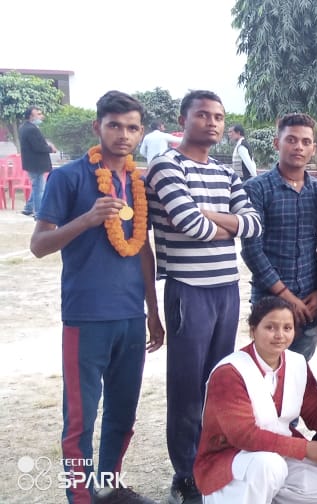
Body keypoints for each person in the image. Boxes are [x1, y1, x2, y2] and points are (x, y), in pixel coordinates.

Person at [29, 91, 164, 504]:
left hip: (130, 316)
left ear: (141, 132)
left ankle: (108, 487)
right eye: (114, 125)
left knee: (123, 413)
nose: (123, 134)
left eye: (132, 127)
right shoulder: (69, 177)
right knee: (80, 420)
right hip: (86, 316)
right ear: (97, 127)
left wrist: (152, 311)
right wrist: (87, 219)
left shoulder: (139, 183)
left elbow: (143, 248)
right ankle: (81, 497)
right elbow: (39, 244)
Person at [146, 90, 263, 503]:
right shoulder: (166, 165)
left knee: (217, 383)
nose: (212, 123)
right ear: (183, 120)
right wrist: (226, 223)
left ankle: (213, 464)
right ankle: (186, 473)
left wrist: (210, 216)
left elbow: (254, 225)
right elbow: (188, 225)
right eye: (202, 115)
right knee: (186, 388)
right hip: (189, 289)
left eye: (218, 116)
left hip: (226, 288)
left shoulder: (223, 171)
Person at [194, 297, 317, 504]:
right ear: (253, 330)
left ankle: (264, 495)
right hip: (230, 459)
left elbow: (315, 412)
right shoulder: (230, 372)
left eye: (287, 328)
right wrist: (303, 449)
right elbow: (244, 436)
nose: (280, 335)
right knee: (270, 466)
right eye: (270, 327)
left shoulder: (297, 363)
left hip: (276, 455)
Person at [242, 113, 317, 360]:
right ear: (277, 143)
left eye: (306, 142)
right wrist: (287, 297)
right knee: (267, 370)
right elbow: (252, 250)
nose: (299, 147)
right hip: (269, 301)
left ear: (313, 148)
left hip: (310, 301)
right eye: (291, 140)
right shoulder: (257, 188)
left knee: (299, 370)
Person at [18, 105, 57, 217]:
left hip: (31, 163)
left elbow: (36, 143)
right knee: (39, 189)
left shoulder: (24, 127)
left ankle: (28, 208)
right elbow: (38, 147)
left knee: (36, 186)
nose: (41, 116)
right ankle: (39, 213)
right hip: (36, 164)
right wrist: (51, 148)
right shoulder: (31, 129)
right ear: (31, 116)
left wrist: (47, 144)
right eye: (38, 114)